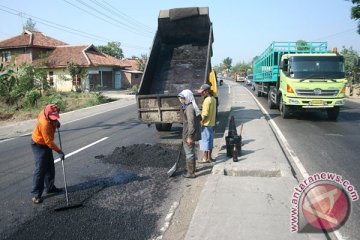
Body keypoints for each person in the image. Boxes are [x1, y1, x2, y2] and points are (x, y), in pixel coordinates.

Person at [30, 104, 65, 204]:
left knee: (50, 166)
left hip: (46, 144)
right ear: (47, 114)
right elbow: (48, 141)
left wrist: (56, 122)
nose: (54, 119)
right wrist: (59, 151)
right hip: (39, 144)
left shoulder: (51, 111)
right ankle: (36, 195)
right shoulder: (44, 123)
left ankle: (50, 188)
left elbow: (54, 117)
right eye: (52, 118)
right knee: (40, 169)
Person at [178, 89, 201, 178]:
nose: (180, 100)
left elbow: (191, 124)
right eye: (180, 98)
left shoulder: (189, 108)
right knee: (191, 151)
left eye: (182, 98)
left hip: (189, 134)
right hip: (188, 133)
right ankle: (193, 169)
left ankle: (191, 173)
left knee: (189, 153)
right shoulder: (189, 106)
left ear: (187, 98)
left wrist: (189, 137)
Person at [197, 83, 217, 163]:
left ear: (207, 91)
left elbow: (205, 114)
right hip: (212, 123)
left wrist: (201, 122)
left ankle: (205, 158)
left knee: (204, 141)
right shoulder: (213, 99)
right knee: (210, 140)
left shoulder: (206, 101)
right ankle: (210, 157)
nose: (201, 93)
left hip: (205, 124)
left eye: (203, 92)